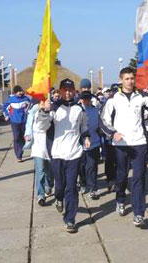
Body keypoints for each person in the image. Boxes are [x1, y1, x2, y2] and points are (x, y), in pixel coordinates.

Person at [100, 67, 148, 228]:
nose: (130, 81)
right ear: (121, 80)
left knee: (139, 179)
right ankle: (120, 199)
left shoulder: (142, 97)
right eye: (127, 78)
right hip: (121, 145)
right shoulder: (113, 99)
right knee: (122, 176)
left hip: (139, 143)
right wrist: (112, 133)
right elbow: (103, 121)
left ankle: (139, 213)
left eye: (132, 78)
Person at [36, 78, 90, 233]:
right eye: (64, 90)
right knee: (60, 186)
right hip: (58, 154)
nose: (67, 93)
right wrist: (44, 111)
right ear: (59, 91)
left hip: (74, 153)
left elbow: (84, 125)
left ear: (74, 91)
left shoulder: (79, 109)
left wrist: (86, 137)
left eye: (70, 90)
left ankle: (70, 219)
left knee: (71, 187)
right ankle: (58, 198)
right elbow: (42, 126)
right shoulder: (53, 108)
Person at [24, 102, 54, 206]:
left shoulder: (52, 110)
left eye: (44, 101)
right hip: (37, 144)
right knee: (40, 170)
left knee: (49, 170)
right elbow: (28, 124)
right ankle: (40, 195)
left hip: (49, 144)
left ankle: (48, 185)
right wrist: (27, 134)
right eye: (41, 102)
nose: (43, 104)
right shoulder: (33, 112)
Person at [78, 90, 102, 199]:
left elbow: (99, 124)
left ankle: (93, 188)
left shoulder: (94, 110)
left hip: (94, 142)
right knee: (82, 166)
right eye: (85, 99)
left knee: (92, 166)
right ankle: (83, 183)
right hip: (80, 143)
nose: (87, 101)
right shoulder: (78, 110)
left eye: (88, 99)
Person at [3, 85, 30, 162]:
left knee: (22, 137)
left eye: (21, 91)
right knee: (16, 137)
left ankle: (21, 151)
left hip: (24, 121)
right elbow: (5, 108)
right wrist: (7, 115)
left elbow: (30, 108)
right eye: (18, 91)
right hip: (14, 121)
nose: (20, 93)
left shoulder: (26, 99)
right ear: (15, 92)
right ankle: (19, 155)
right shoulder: (11, 100)